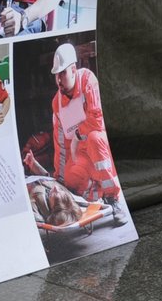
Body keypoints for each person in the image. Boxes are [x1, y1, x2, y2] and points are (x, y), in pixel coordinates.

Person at [23, 41, 126, 224]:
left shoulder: (88, 80)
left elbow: (97, 118)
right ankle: (94, 196)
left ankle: (113, 198)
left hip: (100, 148)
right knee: (70, 176)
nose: (59, 80)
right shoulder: (57, 103)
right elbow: (60, 144)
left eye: (62, 73)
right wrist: (59, 179)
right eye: (56, 75)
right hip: (81, 155)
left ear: (73, 69)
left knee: (94, 138)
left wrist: (78, 135)